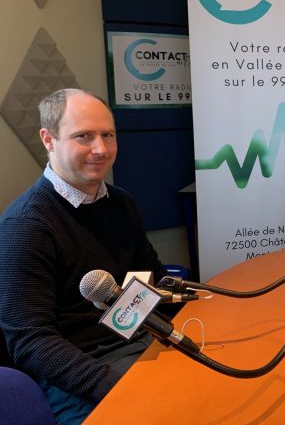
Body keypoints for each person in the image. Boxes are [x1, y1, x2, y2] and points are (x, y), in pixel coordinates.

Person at [0, 89, 174, 424]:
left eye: (108, 135)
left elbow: (152, 277)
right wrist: (116, 388)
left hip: (142, 341)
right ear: (48, 139)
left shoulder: (122, 204)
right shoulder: (25, 226)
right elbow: (30, 340)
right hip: (77, 376)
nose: (101, 149)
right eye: (84, 136)